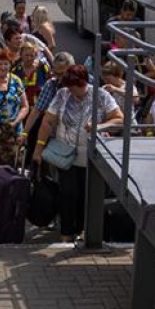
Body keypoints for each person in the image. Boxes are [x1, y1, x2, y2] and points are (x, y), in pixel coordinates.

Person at [32, 65, 124, 242]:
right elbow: (47, 122)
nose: (72, 92)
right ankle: (66, 233)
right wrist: (38, 148)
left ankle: (84, 231)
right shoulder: (62, 94)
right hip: (66, 156)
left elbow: (120, 119)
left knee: (87, 197)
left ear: (83, 83)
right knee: (67, 194)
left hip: (92, 158)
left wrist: (99, 126)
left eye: (74, 88)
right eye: (69, 88)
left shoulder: (100, 95)